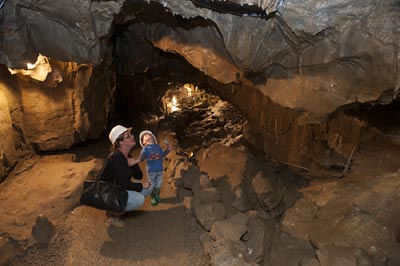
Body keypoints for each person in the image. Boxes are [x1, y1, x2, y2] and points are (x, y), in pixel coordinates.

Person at [100, 125, 154, 227]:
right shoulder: (116, 158)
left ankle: (119, 206)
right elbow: (124, 184)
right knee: (139, 199)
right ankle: (113, 214)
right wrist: (141, 186)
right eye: (128, 136)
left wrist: (136, 161)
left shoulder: (127, 156)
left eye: (131, 134)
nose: (132, 136)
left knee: (150, 186)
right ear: (120, 142)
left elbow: (139, 176)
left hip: (119, 188)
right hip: (108, 194)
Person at [129, 130, 171, 206]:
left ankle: (157, 196)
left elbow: (162, 155)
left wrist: (167, 150)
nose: (147, 134)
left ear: (153, 138)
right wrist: (135, 161)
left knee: (158, 184)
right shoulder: (145, 149)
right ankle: (153, 198)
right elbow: (141, 157)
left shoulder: (158, 146)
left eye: (149, 134)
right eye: (144, 135)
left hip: (160, 169)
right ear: (143, 142)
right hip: (151, 170)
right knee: (152, 185)